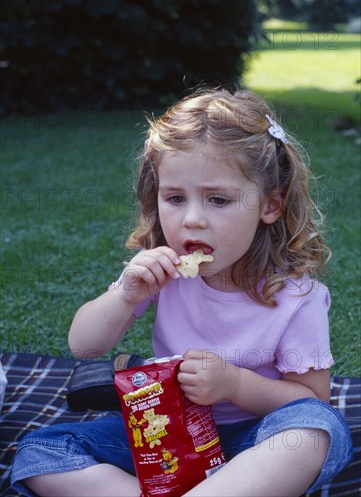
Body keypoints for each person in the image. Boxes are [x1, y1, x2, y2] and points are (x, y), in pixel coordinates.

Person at [11, 88, 353, 496]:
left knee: (317, 431)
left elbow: (310, 399)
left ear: (270, 205)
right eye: (175, 198)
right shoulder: (164, 270)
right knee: (42, 451)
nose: (192, 220)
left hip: (256, 439)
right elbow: (83, 346)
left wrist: (235, 386)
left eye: (218, 200)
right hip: (166, 435)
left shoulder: (296, 297)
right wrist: (126, 295)